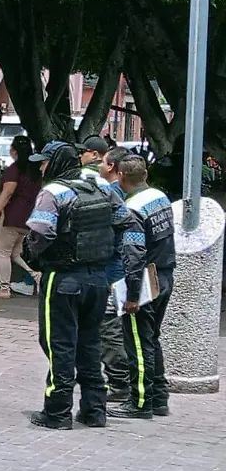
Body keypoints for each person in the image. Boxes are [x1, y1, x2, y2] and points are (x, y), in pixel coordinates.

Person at [23, 142, 145, 429]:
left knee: (59, 345)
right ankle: (94, 410)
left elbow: (41, 233)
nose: (41, 168)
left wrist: (34, 256)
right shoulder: (102, 188)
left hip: (63, 278)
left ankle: (57, 412)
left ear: (55, 164)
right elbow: (126, 223)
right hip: (98, 280)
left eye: (44, 162)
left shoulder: (53, 192)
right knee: (90, 344)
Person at [110, 155, 176, 419]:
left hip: (146, 282)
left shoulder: (132, 209)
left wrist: (132, 295)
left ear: (121, 177)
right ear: (145, 174)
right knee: (151, 340)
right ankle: (159, 398)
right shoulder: (160, 198)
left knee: (137, 344)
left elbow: (134, 254)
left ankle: (139, 402)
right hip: (165, 275)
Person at [0, 136, 43, 298]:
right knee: (15, 253)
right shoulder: (36, 171)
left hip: (10, 217)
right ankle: (35, 275)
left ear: (13, 151)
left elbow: (8, 192)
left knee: (2, 253)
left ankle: (4, 288)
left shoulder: (14, 169)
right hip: (27, 218)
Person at [98, 147, 132, 399]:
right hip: (123, 269)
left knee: (109, 327)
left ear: (111, 167)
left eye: (103, 161)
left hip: (113, 271)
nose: (99, 164)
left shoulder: (111, 194)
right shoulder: (131, 192)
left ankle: (119, 382)